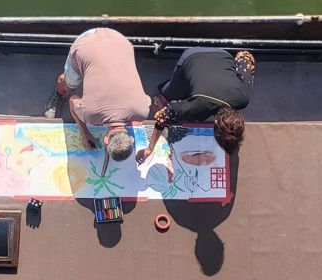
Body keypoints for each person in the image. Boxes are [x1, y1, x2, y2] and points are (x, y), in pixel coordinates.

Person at [136, 48, 254, 177]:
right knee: (169, 96)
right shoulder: (197, 108)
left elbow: (245, 56)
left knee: (188, 93)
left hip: (222, 54)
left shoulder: (243, 97)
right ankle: (165, 92)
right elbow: (162, 117)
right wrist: (150, 148)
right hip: (192, 56)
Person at [49, 28, 150, 159]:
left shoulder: (143, 111)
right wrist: (84, 132)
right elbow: (72, 100)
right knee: (69, 86)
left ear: (131, 138)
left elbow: (147, 99)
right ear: (106, 140)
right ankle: (59, 91)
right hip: (86, 43)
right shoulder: (90, 116)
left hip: (120, 39)